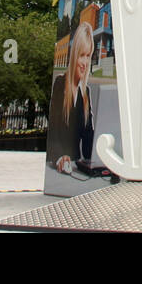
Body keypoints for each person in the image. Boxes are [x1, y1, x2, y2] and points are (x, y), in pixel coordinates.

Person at [48, 22, 96, 175]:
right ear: (74, 55)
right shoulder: (60, 84)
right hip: (60, 165)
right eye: (82, 55)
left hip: (76, 166)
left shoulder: (85, 92)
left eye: (88, 56)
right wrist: (59, 157)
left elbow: (88, 136)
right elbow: (53, 128)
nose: (85, 63)